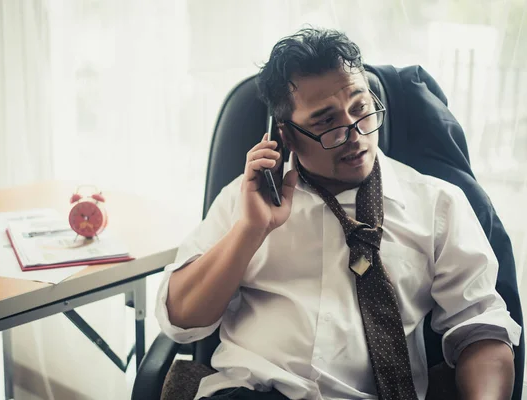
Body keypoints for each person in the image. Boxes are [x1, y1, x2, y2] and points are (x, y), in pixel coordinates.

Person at [155, 28, 521, 400]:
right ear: (286, 136)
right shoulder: (246, 199)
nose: (357, 136)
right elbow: (181, 320)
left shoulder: (438, 204)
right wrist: (250, 231)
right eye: (326, 123)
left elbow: (482, 330)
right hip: (255, 390)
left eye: (361, 109)